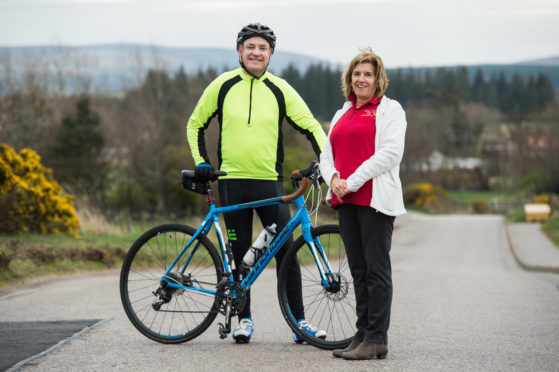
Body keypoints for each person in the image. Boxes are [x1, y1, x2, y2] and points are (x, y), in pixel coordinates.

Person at [186, 23, 327, 344]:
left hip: (270, 186)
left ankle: (299, 322)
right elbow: (195, 124)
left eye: (262, 48)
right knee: (239, 254)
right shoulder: (223, 85)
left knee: (287, 252)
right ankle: (243, 319)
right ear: (239, 51)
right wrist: (202, 163)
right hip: (231, 183)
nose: (256, 52)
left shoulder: (280, 88)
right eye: (250, 47)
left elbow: (311, 126)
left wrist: (329, 163)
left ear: (270, 54)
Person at [320, 47, 407, 360]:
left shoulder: (390, 110)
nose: (361, 79)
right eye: (357, 73)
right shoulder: (342, 112)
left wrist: (349, 182)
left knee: (376, 270)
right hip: (346, 201)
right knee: (357, 270)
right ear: (350, 78)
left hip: (374, 201)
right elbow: (325, 155)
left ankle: (377, 338)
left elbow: (389, 154)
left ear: (377, 79)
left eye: (368, 74)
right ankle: (362, 334)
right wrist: (333, 180)